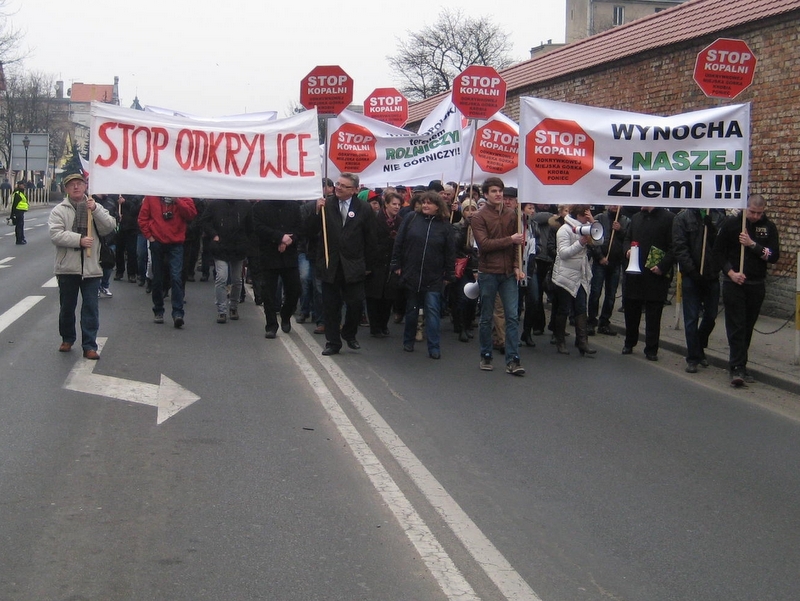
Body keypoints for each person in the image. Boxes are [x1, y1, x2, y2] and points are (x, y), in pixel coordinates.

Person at [306, 172, 377, 356]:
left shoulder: (364, 209)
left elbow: (370, 238)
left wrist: (369, 265)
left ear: (354, 190)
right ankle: (333, 342)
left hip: (353, 265)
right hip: (331, 264)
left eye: (343, 186)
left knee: (355, 304)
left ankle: (349, 332)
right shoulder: (325, 204)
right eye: (337, 184)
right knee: (331, 306)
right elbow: (310, 231)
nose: (337, 187)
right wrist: (315, 212)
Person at [712, 194, 780, 386]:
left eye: (759, 213)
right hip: (735, 283)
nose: (755, 216)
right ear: (745, 208)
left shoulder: (768, 227)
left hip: (756, 284)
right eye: (752, 212)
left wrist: (752, 245)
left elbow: (773, 256)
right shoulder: (732, 225)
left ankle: (742, 363)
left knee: (748, 326)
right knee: (737, 326)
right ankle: (736, 367)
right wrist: (731, 272)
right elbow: (717, 253)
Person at [48, 172, 116, 359]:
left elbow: (109, 226)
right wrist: (79, 240)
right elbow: (56, 235)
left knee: (91, 308)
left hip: (92, 268)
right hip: (67, 268)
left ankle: (89, 345)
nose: (76, 187)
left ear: (86, 186)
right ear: (66, 189)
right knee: (67, 307)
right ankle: (67, 338)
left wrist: (95, 210)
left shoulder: (94, 207)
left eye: (79, 184)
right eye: (72, 185)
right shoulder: (59, 211)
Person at [470, 177, 526, 375]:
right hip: (488, 273)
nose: (498, 194)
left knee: (512, 317)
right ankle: (486, 355)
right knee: (486, 317)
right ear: (486, 194)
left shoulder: (512, 215)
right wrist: (509, 239)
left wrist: (517, 266)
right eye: (494, 191)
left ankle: (513, 360)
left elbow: (517, 246)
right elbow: (484, 245)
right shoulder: (478, 217)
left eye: (500, 191)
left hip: (509, 274)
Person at [390, 191, 455, 358]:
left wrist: (449, 274)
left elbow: (450, 252)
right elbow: (399, 242)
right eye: (423, 202)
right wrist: (396, 264)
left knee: (432, 311)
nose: (425, 205)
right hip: (412, 272)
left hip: (433, 276)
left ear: (438, 206)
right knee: (411, 310)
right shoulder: (411, 218)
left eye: (430, 203)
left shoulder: (445, 226)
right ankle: (408, 341)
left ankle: (434, 347)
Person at [673, 207, 725, 373]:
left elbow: (722, 246)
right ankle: (693, 357)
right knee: (691, 318)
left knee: (710, 316)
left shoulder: (718, 216)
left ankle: (699, 346)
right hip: (691, 276)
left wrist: (712, 231)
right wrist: (692, 271)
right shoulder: (683, 218)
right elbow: (680, 247)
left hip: (711, 275)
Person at [622, 206, 675, 360]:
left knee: (653, 314)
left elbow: (674, 247)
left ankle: (651, 349)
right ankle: (629, 342)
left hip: (655, 274)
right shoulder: (637, 217)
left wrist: (662, 266)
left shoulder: (669, 218)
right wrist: (627, 251)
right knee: (631, 311)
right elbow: (627, 238)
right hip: (635, 273)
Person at [138, 196, 197, 327]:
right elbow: (142, 218)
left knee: (176, 277)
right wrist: (150, 236)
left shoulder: (182, 193)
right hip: (157, 242)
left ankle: (178, 313)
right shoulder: (151, 196)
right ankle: (158, 309)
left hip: (176, 243)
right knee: (157, 278)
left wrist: (177, 201)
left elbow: (191, 214)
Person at [252, 198, 302, 337]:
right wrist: (279, 237)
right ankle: (271, 325)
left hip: (289, 256)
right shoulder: (260, 207)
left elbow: (299, 228)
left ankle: (286, 314)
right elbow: (258, 227)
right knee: (268, 293)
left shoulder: (294, 206)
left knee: (295, 290)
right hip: (268, 254)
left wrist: (289, 241)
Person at [551, 205, 596, 356]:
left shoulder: (587, 226)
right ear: (577, 215)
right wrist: (581, 243)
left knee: (581, 308)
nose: (586, 219)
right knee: (563, 308)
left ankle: (583, 342)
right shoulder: (564, 230)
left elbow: (600, 241)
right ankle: (560, 341)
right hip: (565, 275)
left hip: (581, 274)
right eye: (585, 216)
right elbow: (563, 253)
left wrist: (593, 222)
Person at [199, 198, 253, 324]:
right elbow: (205, 221)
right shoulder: (215, 204)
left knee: (237, 279)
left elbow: (250, 227)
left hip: (238, 248)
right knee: (221, 278)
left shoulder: (245, 205)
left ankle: (233, 306)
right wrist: (214, 235)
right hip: (221, 247)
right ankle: (222, 310)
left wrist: (246, 243)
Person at [365, 191, 403, 338]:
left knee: (388, 297)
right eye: (394, 204)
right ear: (386, 204)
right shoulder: (375, 219)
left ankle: (383, 324)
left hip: (391, 264)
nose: (397, 207)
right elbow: (369, 241)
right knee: (374, 296)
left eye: (399, 204)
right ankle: (374, 326)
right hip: (376, 262)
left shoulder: (400, 221)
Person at [588, 205, 630, 336]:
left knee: (611, 295)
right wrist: (600, 257)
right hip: (601, 261)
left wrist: (620, 230)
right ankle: (591, 321)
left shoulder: (626, 221)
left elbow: (628, 239)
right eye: (611, 204)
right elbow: (593, 239)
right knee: (595, 292)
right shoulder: (599, 218)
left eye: (617, 204)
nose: (614, 206)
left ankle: (604, 322)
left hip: (615, 262)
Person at [452, 199, 480, 343]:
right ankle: (461, 327)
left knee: (472, 299)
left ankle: (468, 325)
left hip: (476, 268)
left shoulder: (480, 226)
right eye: (467, 209)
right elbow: (456, 245)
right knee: (462, 297)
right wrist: (465, 227)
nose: (471, 212)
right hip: (463, 266)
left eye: (473, 209)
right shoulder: (457, 226)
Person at [10, 180, 28, 244]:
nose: (24, 186)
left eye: (24, 185)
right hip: (18, 211)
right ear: (19, 185)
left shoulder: (21, 192)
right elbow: (14, 204)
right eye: (22, 185)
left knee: (21, 225)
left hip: (21, 211)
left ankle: (22, 238)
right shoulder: (17, 193)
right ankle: (19, 240)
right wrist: (12, 215)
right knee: (19, 226)